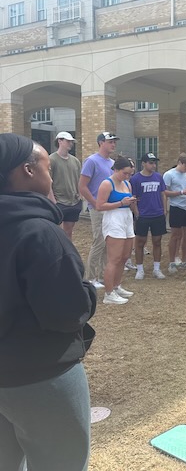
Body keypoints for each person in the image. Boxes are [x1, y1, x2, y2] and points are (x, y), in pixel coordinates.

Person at [0, 133, 96, 470]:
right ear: (27, 171)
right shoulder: (39, 232)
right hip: (40, 375)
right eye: (45, 165)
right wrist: (89, 293)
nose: (51, 174)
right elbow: (68, 313)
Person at [78, 131, 118, 289]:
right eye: (110, 141)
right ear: (101, 142)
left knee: (108, 242)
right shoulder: (91, 161)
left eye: (114, 142)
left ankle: (102, 274)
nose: (113, 144)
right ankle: (90, 277)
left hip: (110, 207)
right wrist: (95, 203)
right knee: (98, 242)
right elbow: (82, 186)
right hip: (97, 208)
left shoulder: (112, 163)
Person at [96, 155, 137, 305]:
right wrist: (120, 203)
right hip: (113, 219)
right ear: (116, 169)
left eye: (130, 174)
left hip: (126, 218)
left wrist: (131, 204)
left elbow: (128, 203)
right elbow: (99, 205)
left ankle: (116, 286)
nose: (127, 176)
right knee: (114, 258)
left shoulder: (127, 183)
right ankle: (108, 293)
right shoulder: (107, 184)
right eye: (125, 173)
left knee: (124, 256)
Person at [129, 152, 167, 280]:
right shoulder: (135, 179)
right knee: (140, 242)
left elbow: (163, 193)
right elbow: (132, 197)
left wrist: (164, 209)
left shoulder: (158, 177)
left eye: (154, 162)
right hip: (143, 215)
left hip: (157, 213)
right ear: (143, 163)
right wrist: (136, 212)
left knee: (157, 241)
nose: (153, 165)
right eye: (150, 163)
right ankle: (140, 269)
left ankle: (157, 268)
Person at [163, 154, 186, 274]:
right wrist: (180, 192)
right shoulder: (169, 174)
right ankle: (172, 261)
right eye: (185, 166)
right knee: (176, 235)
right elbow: (165, 192)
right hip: (176, 207)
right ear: (180, 162)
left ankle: (185, 259)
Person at [49, 131, 83, 240]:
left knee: (69, 232)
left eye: (71, 142)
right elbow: (48, 181)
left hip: (73, 201)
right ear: (60, 141)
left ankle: (67, 254)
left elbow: (79, 179)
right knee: (55, 231)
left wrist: (80, 196)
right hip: (58, 201)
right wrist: (52, 200)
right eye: (68, 141)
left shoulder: (75, 161)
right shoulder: (51, 159)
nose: (70, 144)